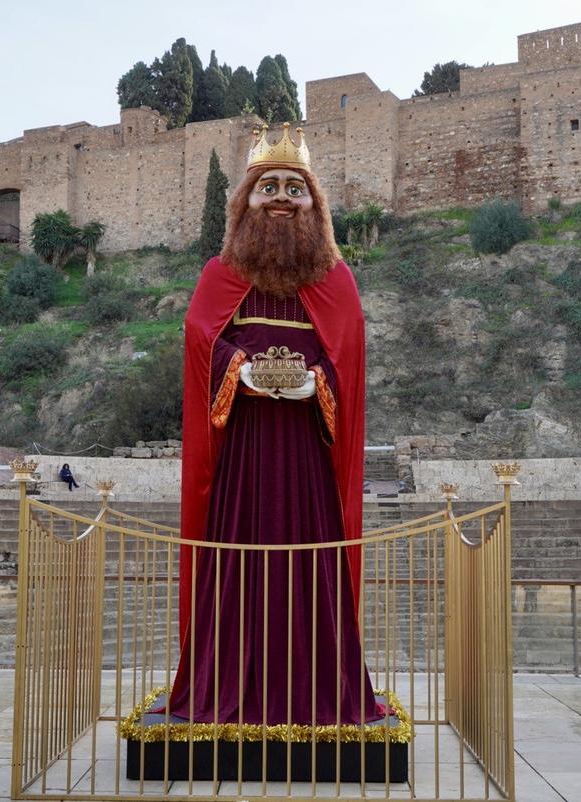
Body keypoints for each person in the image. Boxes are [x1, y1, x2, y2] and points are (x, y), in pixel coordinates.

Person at [160, 122, 381, 731]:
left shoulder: (334, 281)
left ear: (315, 204)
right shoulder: (219, 275)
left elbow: (349, 363)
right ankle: (226, 685)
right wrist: (240, 371)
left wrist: (318, 384)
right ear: (245, 201)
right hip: (244, 460)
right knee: (237, 567)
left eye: (295, 188)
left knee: (312, 566)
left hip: (308, 458)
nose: (282, 198)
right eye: (268, 187)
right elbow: (203, 341)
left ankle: (315, 694)